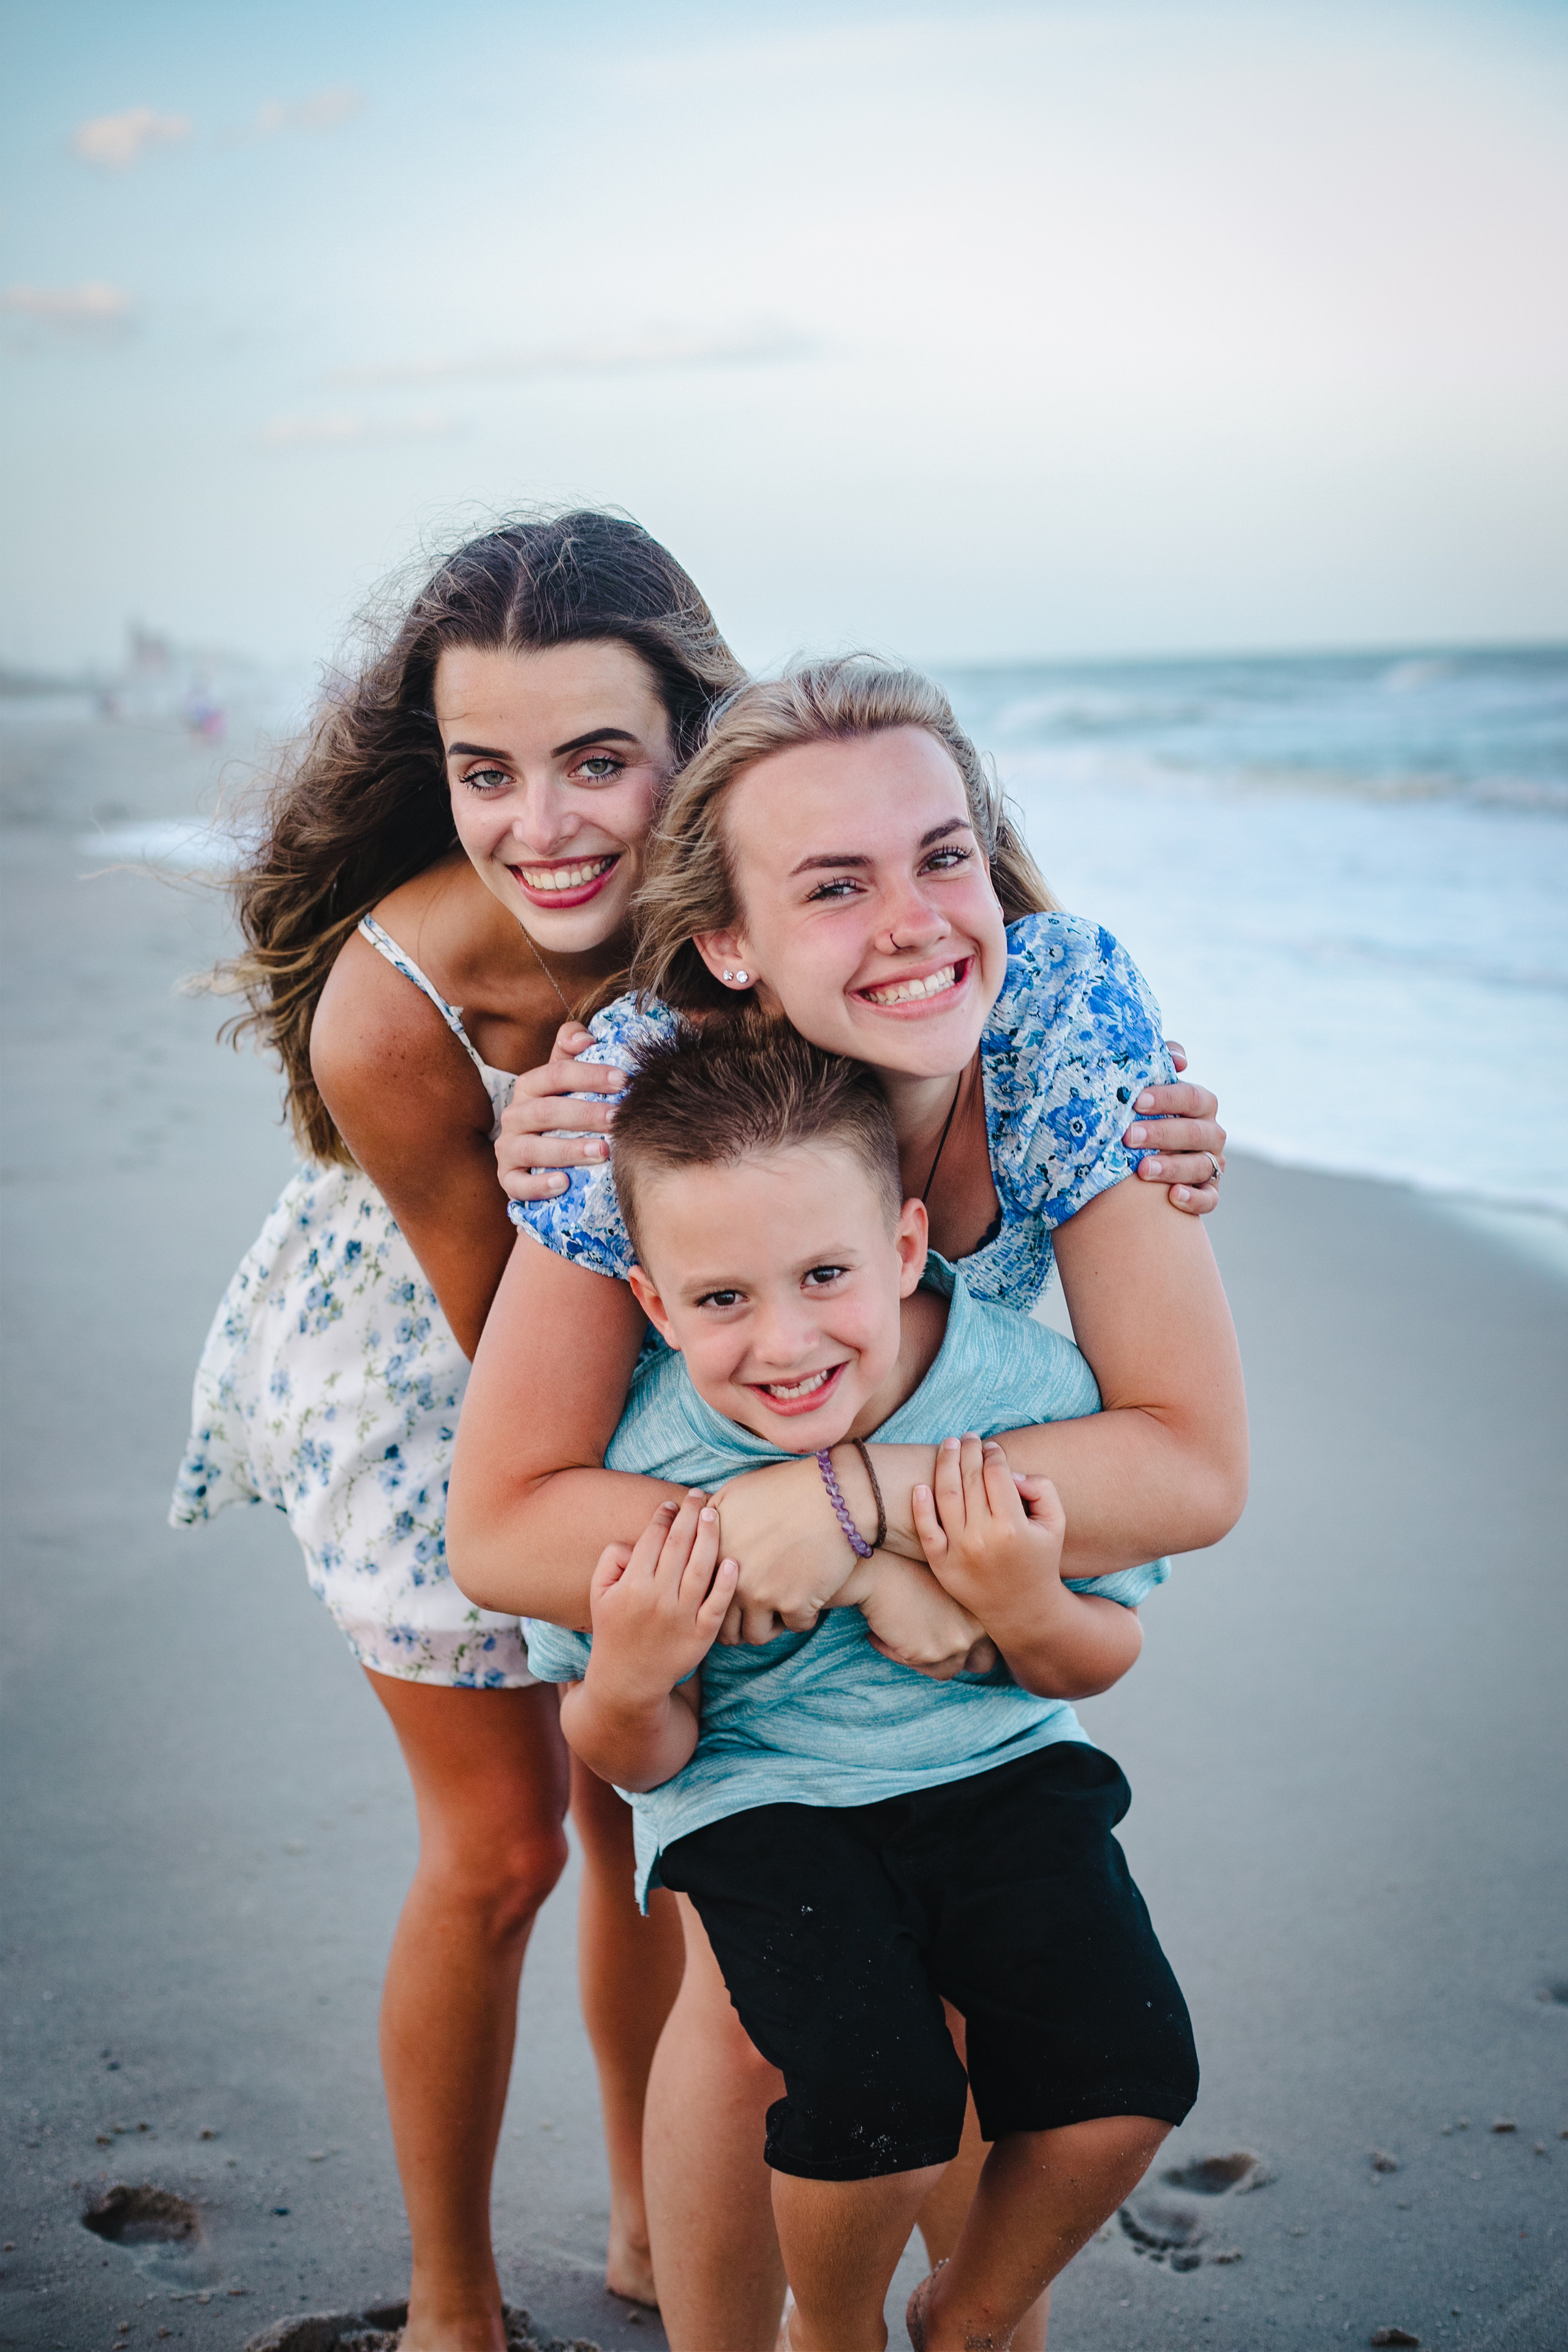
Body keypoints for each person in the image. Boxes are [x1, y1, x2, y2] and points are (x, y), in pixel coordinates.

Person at [447, 657, 1247, 2351]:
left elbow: (1187, 1463)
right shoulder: (642, 1094)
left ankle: (974, 2316)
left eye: (943, 856)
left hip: (954, 1469)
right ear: (731, 941)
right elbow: (510, 1519)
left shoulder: (1058, 1008)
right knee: (759, 2007)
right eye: (834, 883)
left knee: (991, 1970)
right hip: (711, 1559)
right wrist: (768, 1529)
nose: (916, 922)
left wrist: (863, 1503)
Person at [170, 511, 744, 2352]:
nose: (545, 825)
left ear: (692, 747)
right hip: (438, 1359)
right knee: (501, 1844)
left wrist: (1156, 1134)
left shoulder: (753, 896)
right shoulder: (393, 1007)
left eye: (599, 761)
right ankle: (451, 2299)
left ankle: (655, 2231)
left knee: (643, 1804)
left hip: (672, 1338)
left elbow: (965, 1012)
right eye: (486, 771)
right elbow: (509, 1363)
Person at [524, 1022, 1197, 2352]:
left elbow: (1103, 1655)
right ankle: (827, 2332)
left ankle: (966, 2315)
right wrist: (642, 1670)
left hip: (1002, 1771)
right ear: (652, 1305)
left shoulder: (1020, 1388)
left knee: (1130, 2082)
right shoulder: (648, 1461)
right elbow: (623, 1754)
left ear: (901, 1249)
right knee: (878, 2109)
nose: (783, 1343)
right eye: (719, 1300)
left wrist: (1016, 1606)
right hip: (763, 1804)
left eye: (824, 1274)